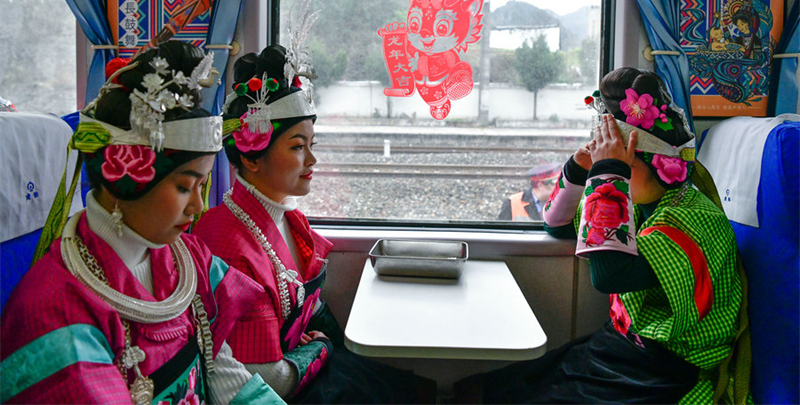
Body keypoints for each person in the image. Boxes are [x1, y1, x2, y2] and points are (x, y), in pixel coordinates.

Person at [0, 41, 285, 405]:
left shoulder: (188, 258)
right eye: (184, 186)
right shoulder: (57, 314)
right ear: (125, 177)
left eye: (202, 185)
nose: (198, 206)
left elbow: (223, 374)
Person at [454, 67, 749, 404]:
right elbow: (556, 224)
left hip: (667, 370)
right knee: (490, 390)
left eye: (616, 160)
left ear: (652, 161)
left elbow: (609, 275)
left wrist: (608, 172)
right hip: (623, 344)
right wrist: (578, 168)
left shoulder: (692, 220)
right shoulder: (635, 202)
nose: (605, 167)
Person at [193, 44, 436, 403]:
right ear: (251, 156)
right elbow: (269, 380)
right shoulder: (227, 245)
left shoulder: (290, 220)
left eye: (311, 144)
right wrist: (320, 349)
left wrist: (327, 346)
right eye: (297, 147)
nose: (312, 159)